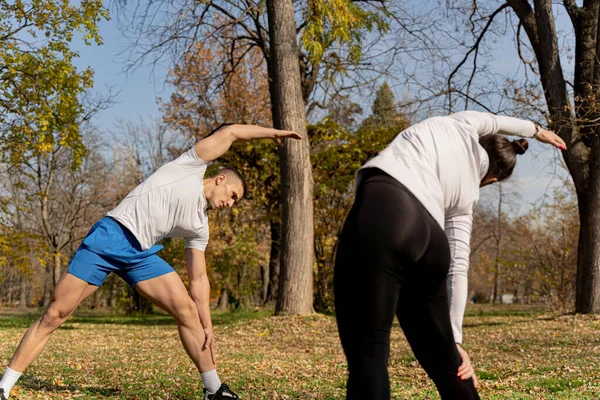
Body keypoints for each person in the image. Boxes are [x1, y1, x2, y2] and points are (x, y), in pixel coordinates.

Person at [0, 124, 301, 400]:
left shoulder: (199, 225)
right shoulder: (190, 166)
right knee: (55, 314)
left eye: (234, 202)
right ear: (220, 179)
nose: (230, 204)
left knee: (188, 311)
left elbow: (198, 279)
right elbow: (232, 132)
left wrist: (206, 323)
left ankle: (214, 390)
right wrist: (274, 133)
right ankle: (4, 386)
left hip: (141, 255)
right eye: (232, 195)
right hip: (111, 237)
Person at [333, 110, 566, 399]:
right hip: (431, 241)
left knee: (369, 352)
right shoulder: (467, 198)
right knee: (447, 364)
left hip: (387, 207)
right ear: (492, 179)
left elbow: (497, 120)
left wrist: (536, 130)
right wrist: (453, 339)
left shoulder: (461, 124)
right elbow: (458, 266)